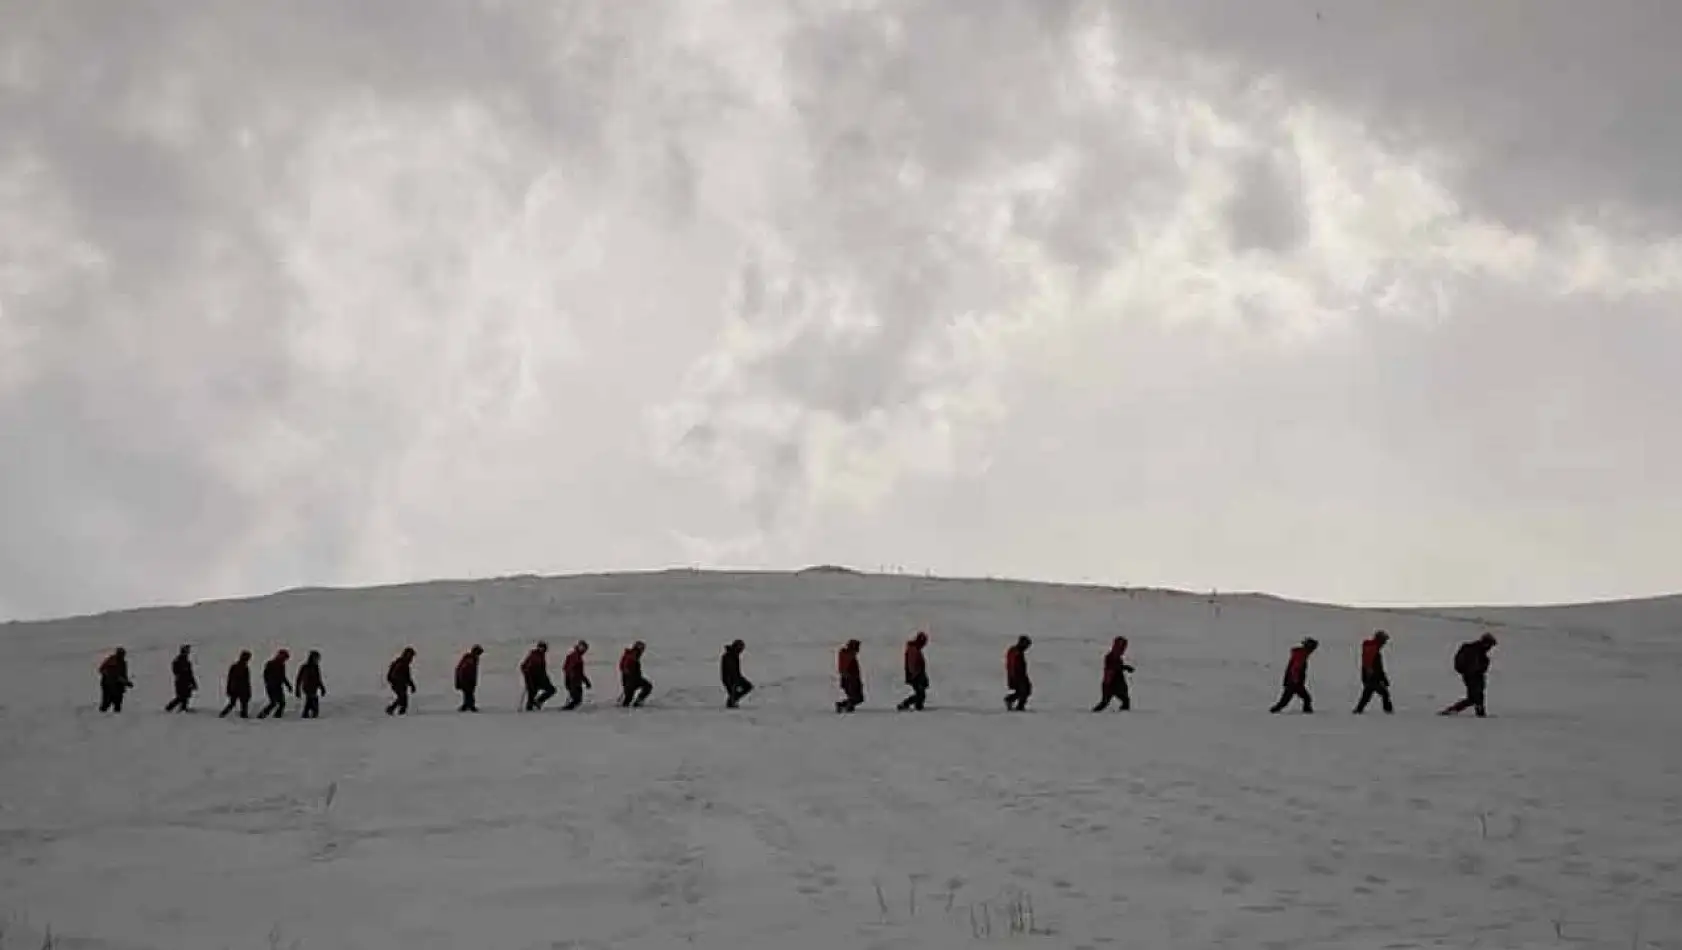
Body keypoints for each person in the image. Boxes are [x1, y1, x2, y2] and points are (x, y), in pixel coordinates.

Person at [1440, 632, 1498, 717]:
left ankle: (1479, 712)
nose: (1490, 648)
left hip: (1473, 675)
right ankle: (1453, 710)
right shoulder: (1475, 650)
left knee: (1477, 696)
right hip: (1472, 676)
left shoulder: (1477, 650)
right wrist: (1478, 669)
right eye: (1490, 645)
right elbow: (1475, 665)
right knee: (1474, 697)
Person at [1269, 638, 1318, 713]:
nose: (1313, 650)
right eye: (1313, 648)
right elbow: (1296, 668)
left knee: (1303, 698)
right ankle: (1307, 712)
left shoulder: (1301, 653)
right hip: (1294, 682)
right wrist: (1295, 680)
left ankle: (1307, 711)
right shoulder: (1301, 655)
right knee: (1304, 698)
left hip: (1293, 681)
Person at [1353, 630, 1393, 714]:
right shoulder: (1374, 651)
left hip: (1368, 676)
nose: (1385, 643)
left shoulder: (1371, 649)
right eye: (1384, 641)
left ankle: (1358, 710)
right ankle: (1388, 711)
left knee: (1367, 694)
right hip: (1372, 677)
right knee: (1384, 693)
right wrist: (1383, 678)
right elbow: (1377, 667)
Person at [1092, 636, 1134, 711]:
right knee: (1107, 702)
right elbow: (1114, 667)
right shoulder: (1111, 657)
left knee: (1122, 701)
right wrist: (1125, 667)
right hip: (1111, 683)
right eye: (1122, 647)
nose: (1123, 650)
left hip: (1111, 683)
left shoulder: (1116, 657)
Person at [896, 631, 930, 711]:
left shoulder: (915, 649)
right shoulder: (913, 649)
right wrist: (915, 674)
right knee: (920, 693)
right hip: (915, 675)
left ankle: (916, 705)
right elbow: (912, 663)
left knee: (920, 693)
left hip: (917, 674)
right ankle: (907, 704)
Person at [520, 641, 556, 711]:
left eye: (543, 648)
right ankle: (531, 707)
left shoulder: (541, 655)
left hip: (540, 678)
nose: (542, 649)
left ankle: (537, 702)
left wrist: (546, 677)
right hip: (531, 678)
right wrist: (526, 673)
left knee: (551, 690)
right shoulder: (533, 655)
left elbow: (542, 669)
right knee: (532, 694)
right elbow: (523, 666)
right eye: (540, 647)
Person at [256, 649, 292, 719]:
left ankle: (276, 716)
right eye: (284, 658)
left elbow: (283, 676)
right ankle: (262, 715)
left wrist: (288, 686)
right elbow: (266, 675)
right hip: (272, 686)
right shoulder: (270, 664)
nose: (284, 660)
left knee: (281, 703)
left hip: (278, 686)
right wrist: (270, 683)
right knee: (274, 702)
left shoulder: (281, 665)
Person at [618, 640, 653, 708]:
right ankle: (636, 703)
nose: (643, 651)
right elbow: (625, 667)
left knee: (647, 687)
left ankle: (637, 702)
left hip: (633, 679)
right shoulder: (632, 655)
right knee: (628, 698)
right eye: (642, 649)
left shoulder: (632, 654)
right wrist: (628, 674)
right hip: (631, 679)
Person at [219, 650, 253, 718]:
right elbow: (246, 681)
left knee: (233, 703)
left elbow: (230, 678)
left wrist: (229, 688)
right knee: (243, 704)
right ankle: (244, 717)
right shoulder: (245, 668)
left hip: (234, 688)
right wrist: (248, 691)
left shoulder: (235, 666)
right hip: (241, 689)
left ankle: (223, 714)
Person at [97, 647, 132, 713]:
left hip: (117, 685)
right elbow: (103, 670)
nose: (122, 656)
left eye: (123, 654)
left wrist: (126, 682)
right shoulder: (112, 661)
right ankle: (101, 716)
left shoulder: (123, 663)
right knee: (108, 701)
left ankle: (115, 717)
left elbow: (123, 675)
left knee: (117, 702)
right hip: (108, 684)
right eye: (121, 654)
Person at [720, 639, 753, 708]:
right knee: (733, 691)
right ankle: (732, 702)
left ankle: (733, 700)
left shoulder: (735, 655)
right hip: (729, 678)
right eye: (741, 648)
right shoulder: (728, 656)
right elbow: (729, 670)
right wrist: (733, 679)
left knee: (748, 686)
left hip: (736, 677)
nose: (741, 651)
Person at [1004, 635, 1033, 711]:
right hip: (1017, 675)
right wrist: (1015, 675)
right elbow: (1014, 664)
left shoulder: (1014, 651)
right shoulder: (1017, 652)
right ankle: (1017, 704)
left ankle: (1012, 701)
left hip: (1016, 674)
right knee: (1024, 690)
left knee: (1023, 690)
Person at [164, 645, 196, 713]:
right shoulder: (179, 660)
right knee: (181, 697)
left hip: (186, 682)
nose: (189, 652)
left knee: (186, 697)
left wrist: (193, 683)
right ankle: (169, 708)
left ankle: (183, 709)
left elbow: (190, 673)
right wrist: (181, 675)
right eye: (187, 651)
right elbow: (176, 670)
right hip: (181, 682)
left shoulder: (187, 661)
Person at [385, 647, 417, 716]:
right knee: (402, 698)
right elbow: (395, 675)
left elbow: (407, 677)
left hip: (400, 684)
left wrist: (411, 685)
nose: (412, 659)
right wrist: (398, 682)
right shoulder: (401, 663)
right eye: (411, 656)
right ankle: (394, 711)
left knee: (403, 699)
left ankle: (396, 711)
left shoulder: (405, 664)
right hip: (398, 684)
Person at [296, 650, 327, 719]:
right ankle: (312, 716)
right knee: (313, 702)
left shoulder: (316, 667)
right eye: (316, 658)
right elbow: (299, 679)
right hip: (307, 687)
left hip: (314, 688)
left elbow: (318, 679)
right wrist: (297, 690)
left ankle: (306, 715)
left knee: (309, 702)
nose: (317, 660)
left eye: (318, 658)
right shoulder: (305, 667)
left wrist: (322, 688)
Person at [561, 641, 591, 710]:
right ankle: (566, 709)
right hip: (572, 681)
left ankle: (569, 708)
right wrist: (571, 677)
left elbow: (580, 672)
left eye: (584, 648)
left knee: (578, 699)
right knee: (576, 699)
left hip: (576, 680)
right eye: (582, 647)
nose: (583, 649)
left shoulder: (577, 656)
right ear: (579, 646)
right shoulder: (574, 655)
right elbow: (567, 668)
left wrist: (586, 681)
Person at [835, 639, 863, 713]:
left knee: (858, 698)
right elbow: (844, 668)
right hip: (850, 679)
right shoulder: (847, 655)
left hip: (853, 678)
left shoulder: (848, 655)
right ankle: (846, 706)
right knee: (855, 697)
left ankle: (844, 705)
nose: (858, 650)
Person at [455, 645, 484, 712]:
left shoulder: (472, 658)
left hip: (468, 678)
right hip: (466, 679)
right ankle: (469, 706)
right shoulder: (470, 659)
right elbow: (465, 670)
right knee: (469, 693)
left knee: (468, 693)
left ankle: (467, 705)